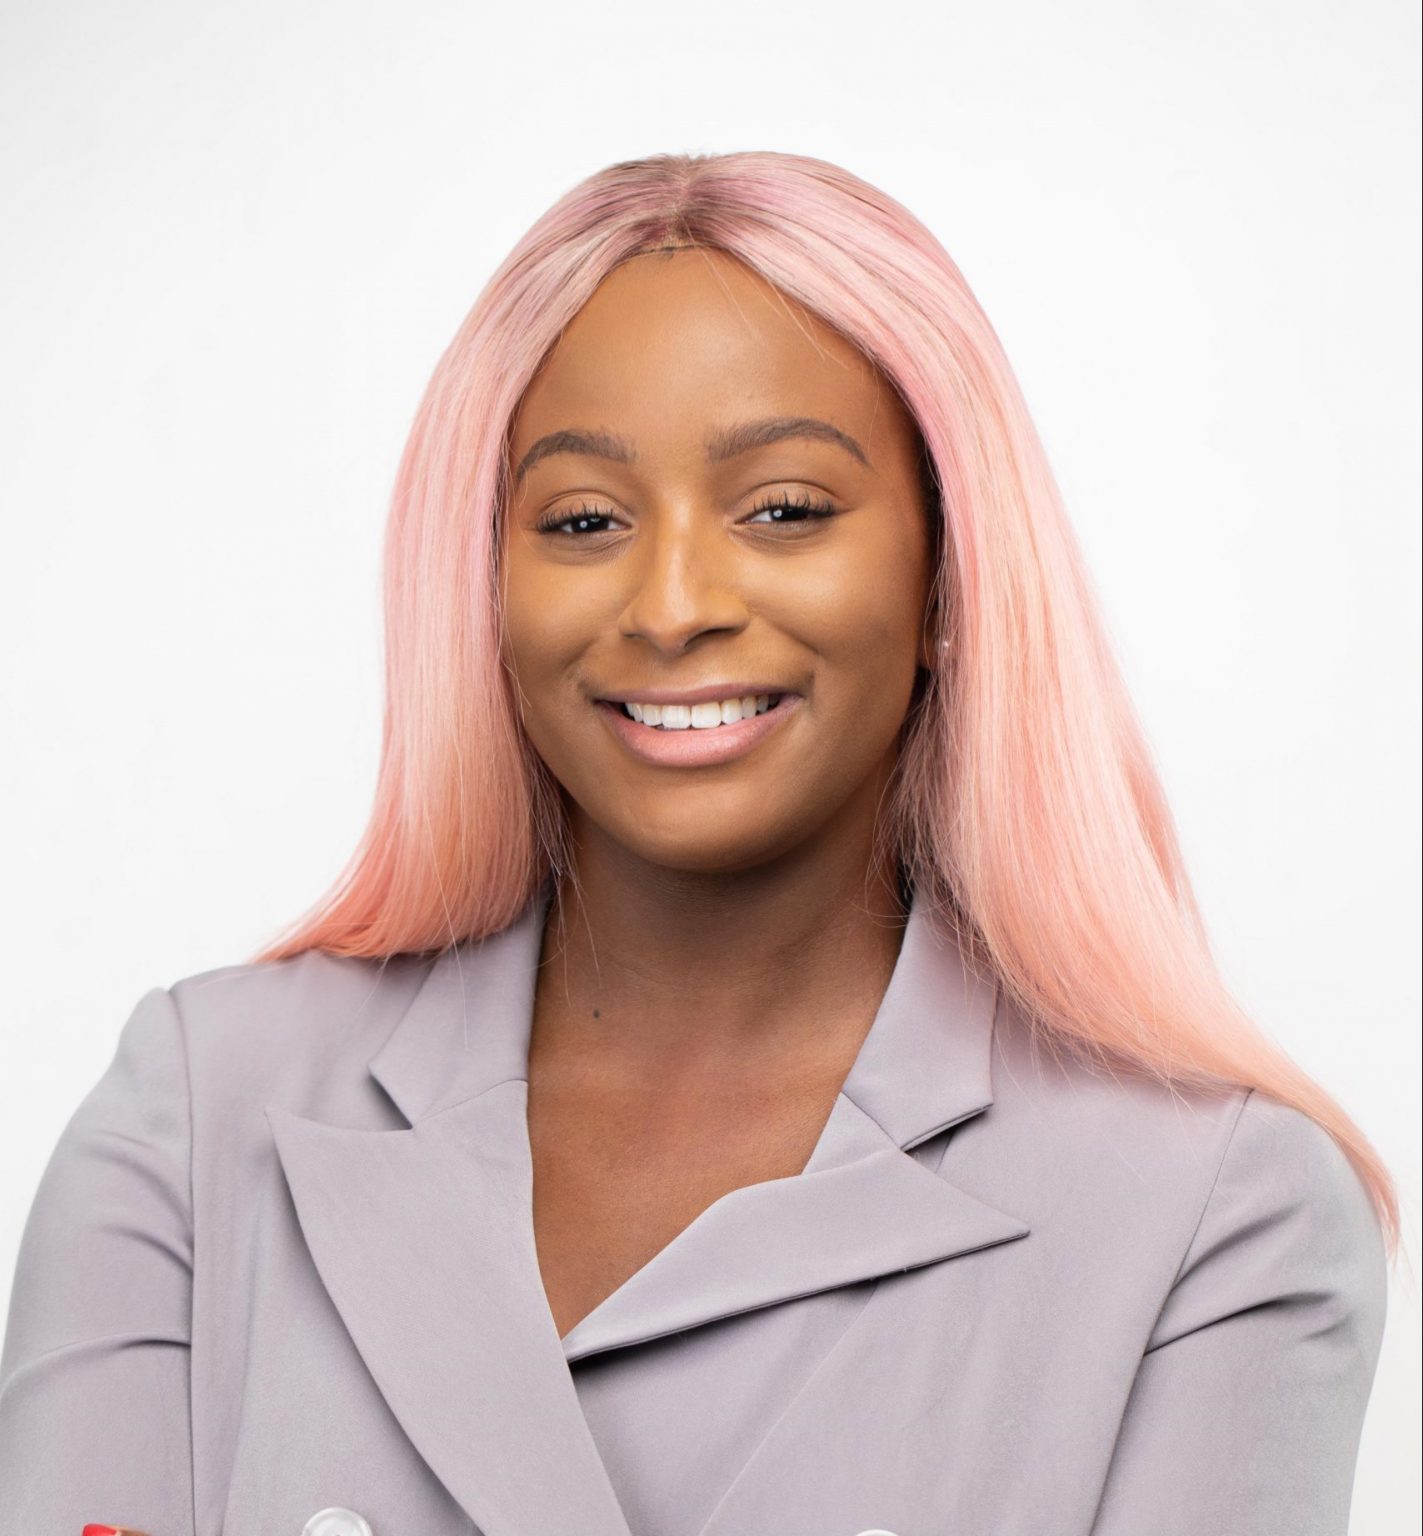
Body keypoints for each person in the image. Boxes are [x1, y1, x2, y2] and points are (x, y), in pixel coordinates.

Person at [0, 152, 1399, 1536]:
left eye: (785, 510)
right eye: (583, 521)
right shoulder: (198, 1114)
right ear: (485, 587)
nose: (672, 605)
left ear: (947, 580)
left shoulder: (1223, 1214)